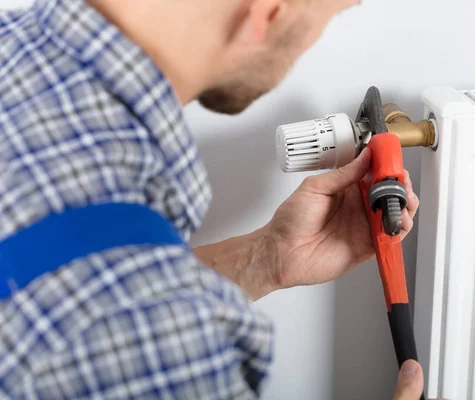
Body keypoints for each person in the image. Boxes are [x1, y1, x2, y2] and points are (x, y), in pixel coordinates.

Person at [0, 0, 426, 398]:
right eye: (326, 15)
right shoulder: (161, 355)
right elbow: (116, 296)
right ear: (268, 12)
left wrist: (268, 256)